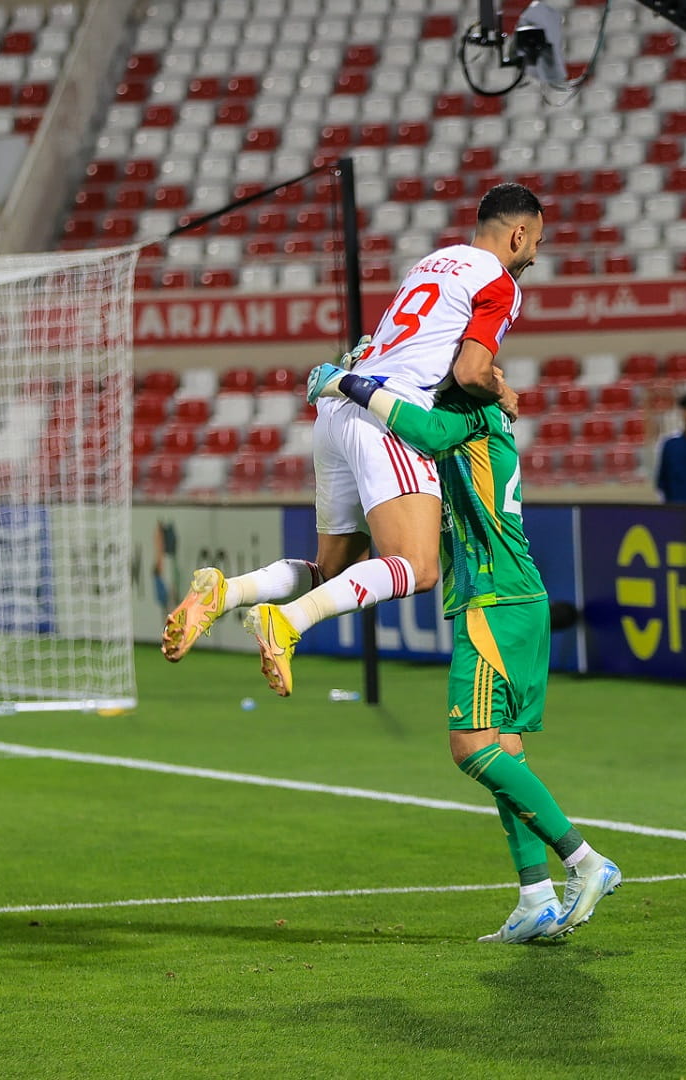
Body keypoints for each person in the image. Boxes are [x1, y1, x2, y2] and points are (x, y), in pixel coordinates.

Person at [161, 183, 543, 696]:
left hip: (337, 409)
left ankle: (227, 592)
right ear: (519, 234)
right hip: (386, 417)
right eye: (536, 243)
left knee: (333, 571)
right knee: (419, 566)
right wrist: (502, 390)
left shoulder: (433, 263)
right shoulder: (499, 282)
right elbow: (471, 370)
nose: (534, 256)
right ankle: (285, 622)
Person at [306, 360, 621, 942]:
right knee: (505, 752)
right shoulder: (473, 413)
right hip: (513, 600)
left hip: (494, 602)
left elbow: (422, 432)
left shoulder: (470, 414)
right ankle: (535, 896)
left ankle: (584, 860)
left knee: (469, 748)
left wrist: (350, 384)